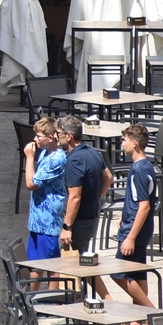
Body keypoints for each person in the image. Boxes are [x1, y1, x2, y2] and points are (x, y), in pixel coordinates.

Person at [56, 116, 114, 299]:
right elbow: (109, 177)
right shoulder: (91, 152)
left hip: (79, 221)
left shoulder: (74, 160)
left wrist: (67, 227)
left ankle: (104, 300)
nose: (56, 137)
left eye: (58, 134)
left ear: (69, 136)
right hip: (92, 216)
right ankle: (72, 299)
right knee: (78, 261)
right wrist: (96, 198)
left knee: (77, 262)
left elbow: (74, 197)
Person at [111, 124, 159, 321]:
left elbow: (145, 205)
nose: (122, 144)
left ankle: (153, 315)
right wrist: (124, 214)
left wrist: (130, 237)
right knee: (137, 273)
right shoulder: (143, 165)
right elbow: (136, 199)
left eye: (125, 140)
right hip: (136, 226)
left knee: (118, 273)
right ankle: (138, 322)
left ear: (135, 143)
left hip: (134, 231)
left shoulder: (139, 170)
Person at [22, 118, 68, 288]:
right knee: (34, 263)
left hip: (48, 220)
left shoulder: (57, 159)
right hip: (37, 218)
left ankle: (52, 303)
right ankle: (31, 300)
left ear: (51, 137)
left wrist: (29, 158)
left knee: (50, 265)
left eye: (39, 136)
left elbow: (31, 184)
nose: (35, 139)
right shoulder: (44, 152)